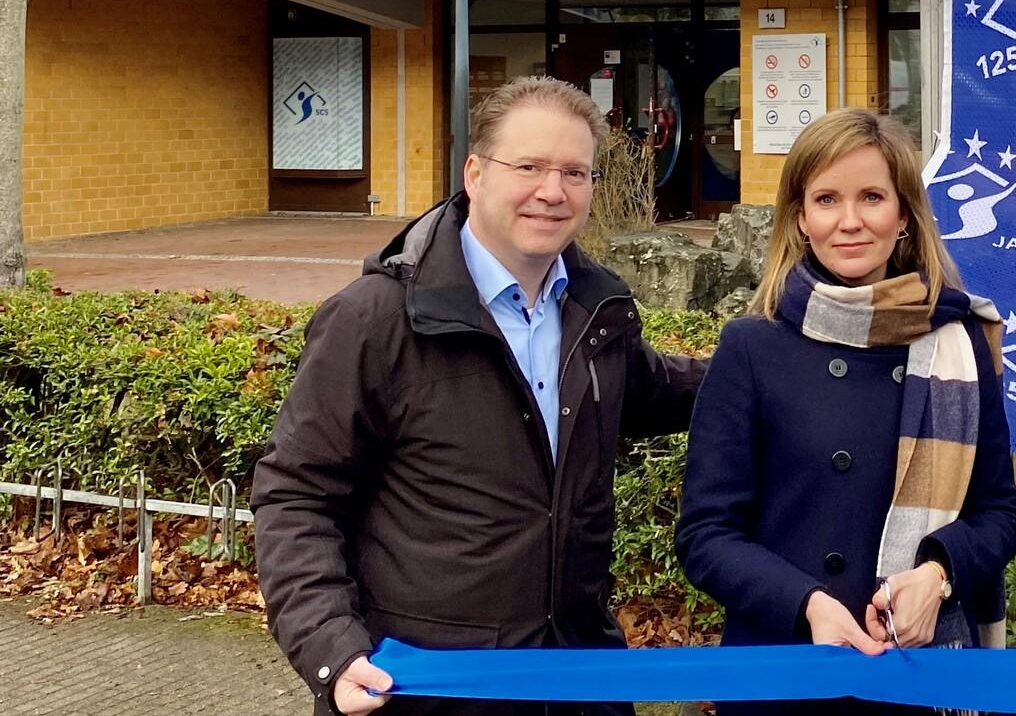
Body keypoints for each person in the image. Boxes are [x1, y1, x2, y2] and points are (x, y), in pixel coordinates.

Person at [254, 77, 707, 716]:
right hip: (434, 689)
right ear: (476, 173)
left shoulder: (595, 310)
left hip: (580, 678)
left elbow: (652, 389)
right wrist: (331, 645)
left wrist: (766, 364)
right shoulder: (377, 320)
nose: (553, 192)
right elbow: (296, 495)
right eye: (529, 167)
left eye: (575, 172)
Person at [676, 108, 1016, 712]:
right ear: (802, 219)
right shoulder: (753, 346)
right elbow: (706, 535)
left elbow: (999, 512)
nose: (851, 222)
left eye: (872, 197)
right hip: (786, 675)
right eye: (827, 200)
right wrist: (807, 603)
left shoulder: (959, 342)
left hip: (921, 677)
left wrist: (937, 575)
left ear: (905, 215)